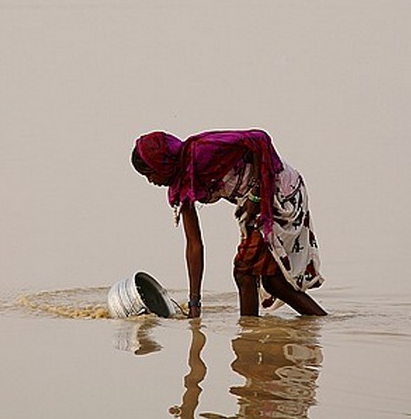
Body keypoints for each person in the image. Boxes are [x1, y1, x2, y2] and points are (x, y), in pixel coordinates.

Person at [132, 129, 325, 318]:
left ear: (163, 163)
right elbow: (194, 244)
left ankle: (248, 335)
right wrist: (194, 303)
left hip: (278, 191)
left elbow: (259, 139)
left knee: (244, 271)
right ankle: (319, 321)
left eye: (150, 173)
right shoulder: (182, 186)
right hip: (255, 203)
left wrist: (256, 195)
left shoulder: (202, 151)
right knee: (273, 282)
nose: (150, 181)